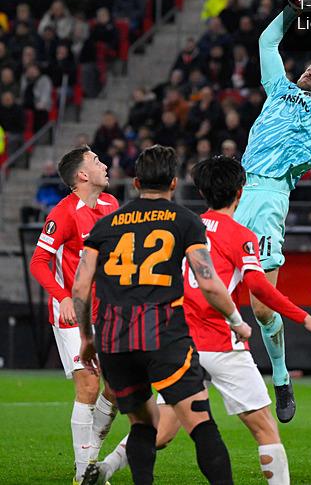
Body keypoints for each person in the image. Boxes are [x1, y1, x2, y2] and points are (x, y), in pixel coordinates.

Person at [82, 156, 311, 485]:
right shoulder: (238, 235)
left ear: (201, 191)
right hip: (221, 342)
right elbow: (259, 287)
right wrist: (308, 321)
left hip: (177, 343)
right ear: (240, 192)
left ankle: (105, 468)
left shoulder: (185, 224)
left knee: (162, 428)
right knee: (264, 427)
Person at [73, 145, 249, 485]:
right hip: (163, 335)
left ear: (136, 181)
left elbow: (80, 289)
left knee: (142, 424)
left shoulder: (106, 225)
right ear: (173, 183)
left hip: (114, 340)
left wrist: (86, 338)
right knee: (200, 423)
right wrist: (236, 321)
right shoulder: (186, 220)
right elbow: (209, 282)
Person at [233, 0, 311, 422]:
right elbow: (266, 40)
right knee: (202, 281)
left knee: (262, 305)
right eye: (310, 64)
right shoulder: (280, 89)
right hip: (235, 191)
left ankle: (279, 377)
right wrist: (296, 7)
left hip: (269, 197)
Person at [28, 145, 120, 484]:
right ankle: (85, 473)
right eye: (97, 161)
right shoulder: (63, 213)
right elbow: (38, 263)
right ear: (82, 175)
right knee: (89, 385)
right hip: (74, 315)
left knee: (116, 388)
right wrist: (62, 296)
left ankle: (89, 455)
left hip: (108, 310)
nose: (105, 164)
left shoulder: (111, 205)